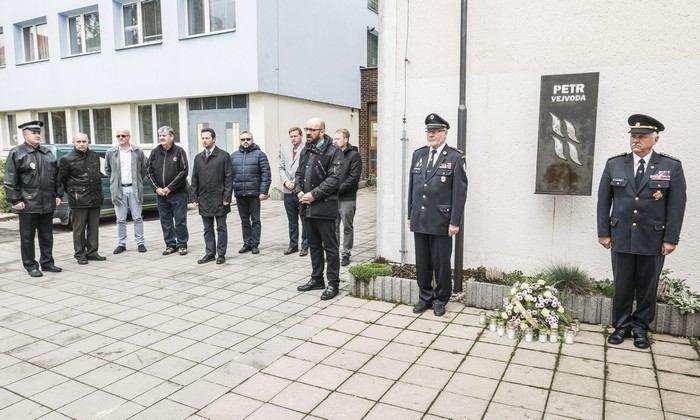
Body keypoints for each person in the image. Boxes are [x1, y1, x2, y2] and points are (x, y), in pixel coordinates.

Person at [597, 114, 686, 349]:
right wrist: (604, 233)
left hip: (652, 238)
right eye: (633, 137)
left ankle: (640, 328)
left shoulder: (671, 166)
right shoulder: (615, 164)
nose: (636, 141)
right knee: (623, 284)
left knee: (647, 287)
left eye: (642, 137)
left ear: (655, 139)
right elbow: (603, 201)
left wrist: (670, 238)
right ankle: (621, 326)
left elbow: (677, 205)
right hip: (621, 236)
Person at [408, 113, 468, 316]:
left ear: (445, 133)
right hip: (420, 218)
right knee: (422, 262)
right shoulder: (418, 154)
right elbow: (412, 187)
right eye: (428, 131)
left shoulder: (455, 157)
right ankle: (424, 297)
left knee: (441, 263)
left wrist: (455, 222)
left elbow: (459, 194)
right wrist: (410, 213)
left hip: (442, 221)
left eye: (435, 131)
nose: (431, 134)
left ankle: (441, 299)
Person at [3, 120, 63, 277]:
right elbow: (10, 180)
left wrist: (58, 194)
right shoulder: (17, 153)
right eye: (33, 132)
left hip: (47, 202)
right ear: (24, 134)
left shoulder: (47, 153)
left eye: (38, 132)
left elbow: (57, 176)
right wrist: (16, 200)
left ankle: (47, 263)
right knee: (27, 237)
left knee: (47, 236)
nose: (37, 135)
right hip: (28, 203)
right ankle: (30, 265)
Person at [295, 118, 344, 300]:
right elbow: (299, 173)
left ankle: (333, 283)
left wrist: (313, 194)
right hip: (306, 207)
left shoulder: (334, 151)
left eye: (312, 130)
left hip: (324, 207)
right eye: (306, 128)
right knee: (314, 245)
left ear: (322, 131)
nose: (307, 132)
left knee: (330, 247)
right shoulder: (306, 149)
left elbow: (334, 179)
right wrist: (299, 191)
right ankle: (317, 279)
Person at [59, 133, 106, 265]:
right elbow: (61, 179)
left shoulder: (94, 156)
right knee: (79, 229)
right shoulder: (67, 159)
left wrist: (99, 193)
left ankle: (92, 252)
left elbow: (97, 176)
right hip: (78, 199)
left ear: (88, 142)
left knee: (93, 227)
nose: (81, 144)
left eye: (84, 141)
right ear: (73, 142)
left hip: (95, 197)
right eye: (78, 141)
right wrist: (72, 193)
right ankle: (80, 254)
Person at [191, 128, 233, 264]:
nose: (204, 140)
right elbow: (194, 179)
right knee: (207, 228)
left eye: (207, 138)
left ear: (213, 139)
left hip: (220, 198)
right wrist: (194, 197)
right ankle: (210, 253)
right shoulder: (198, 158)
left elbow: (229, 178)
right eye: (202, 138)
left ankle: (221, 254)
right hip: (204, 199)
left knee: (221, 228)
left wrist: (227, 197)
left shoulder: (223, 156)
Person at [147, 126, 190, 256]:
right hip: (161, 195)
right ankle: (170, 244)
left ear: (171, 137)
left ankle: (182, 244)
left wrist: (170, 187)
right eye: (160, 135)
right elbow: (148, 171)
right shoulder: (155, 152)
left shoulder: (179, 151)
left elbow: (184, 171)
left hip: (178, 193)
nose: (161, 138)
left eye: (164, 135)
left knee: (180, 220)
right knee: (165, 220)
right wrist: (157, 188)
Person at [105, 129, 148, 254]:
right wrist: (114, 181)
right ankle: (121, 243)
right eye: (118, 136)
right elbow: (108, 170)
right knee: (120, 219)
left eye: (123, 135)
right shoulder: (111, 152)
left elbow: (144, 169)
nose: (120, 138)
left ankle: (140, 242)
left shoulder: (137, 152)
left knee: (137, 217)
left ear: (129, 137)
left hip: (134, 189)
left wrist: (138, 181)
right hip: (119, 189)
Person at [230, 131, 271, 254]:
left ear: (252, 140)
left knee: (255, 220)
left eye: (248, 139)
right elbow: (229, 175)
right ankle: (247, 243)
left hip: (254, 194)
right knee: (244, 220)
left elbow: (266, 174)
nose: (245, 141)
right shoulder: (234, 156)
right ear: (240, 141)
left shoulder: (260, 155)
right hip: (240, 193)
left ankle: (255, 244)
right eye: (243, 139)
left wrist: (263, 191)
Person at [333, 128, 362, 266]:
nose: (334, 141)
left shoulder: (354, 155)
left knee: (347, 227)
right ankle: (334, 252)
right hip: (332, 199)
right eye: (334, 139)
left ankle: (346, 253)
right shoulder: (333, 154)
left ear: (346, 139)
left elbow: (353, 178)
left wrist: (336, 190)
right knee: (334, 227)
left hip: (347, 199)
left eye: (337, 139)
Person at [279, 126, 309, 256]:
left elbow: (307, 169)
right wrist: (286, 181)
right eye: (291, 136)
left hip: (301, 190)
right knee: (292, 220)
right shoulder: (285, 149)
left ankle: (305, 245)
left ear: (301, 136)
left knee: (304, 219)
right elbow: (281, 167)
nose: (293, 138)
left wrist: (296, 184)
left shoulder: (306, 149)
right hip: (287, 190)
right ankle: (293, 245)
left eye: (295, 136)